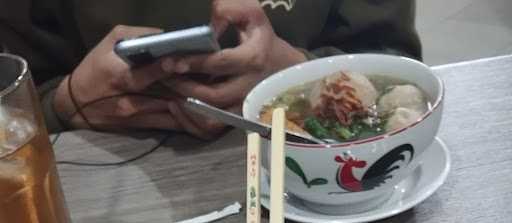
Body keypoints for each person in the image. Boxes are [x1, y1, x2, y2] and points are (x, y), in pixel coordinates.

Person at [0, 1, 421, 137]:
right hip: (111, 191)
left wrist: (298, 73)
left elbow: (398, 66)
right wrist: (65, 102)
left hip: (315, 163)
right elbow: (11, 109)